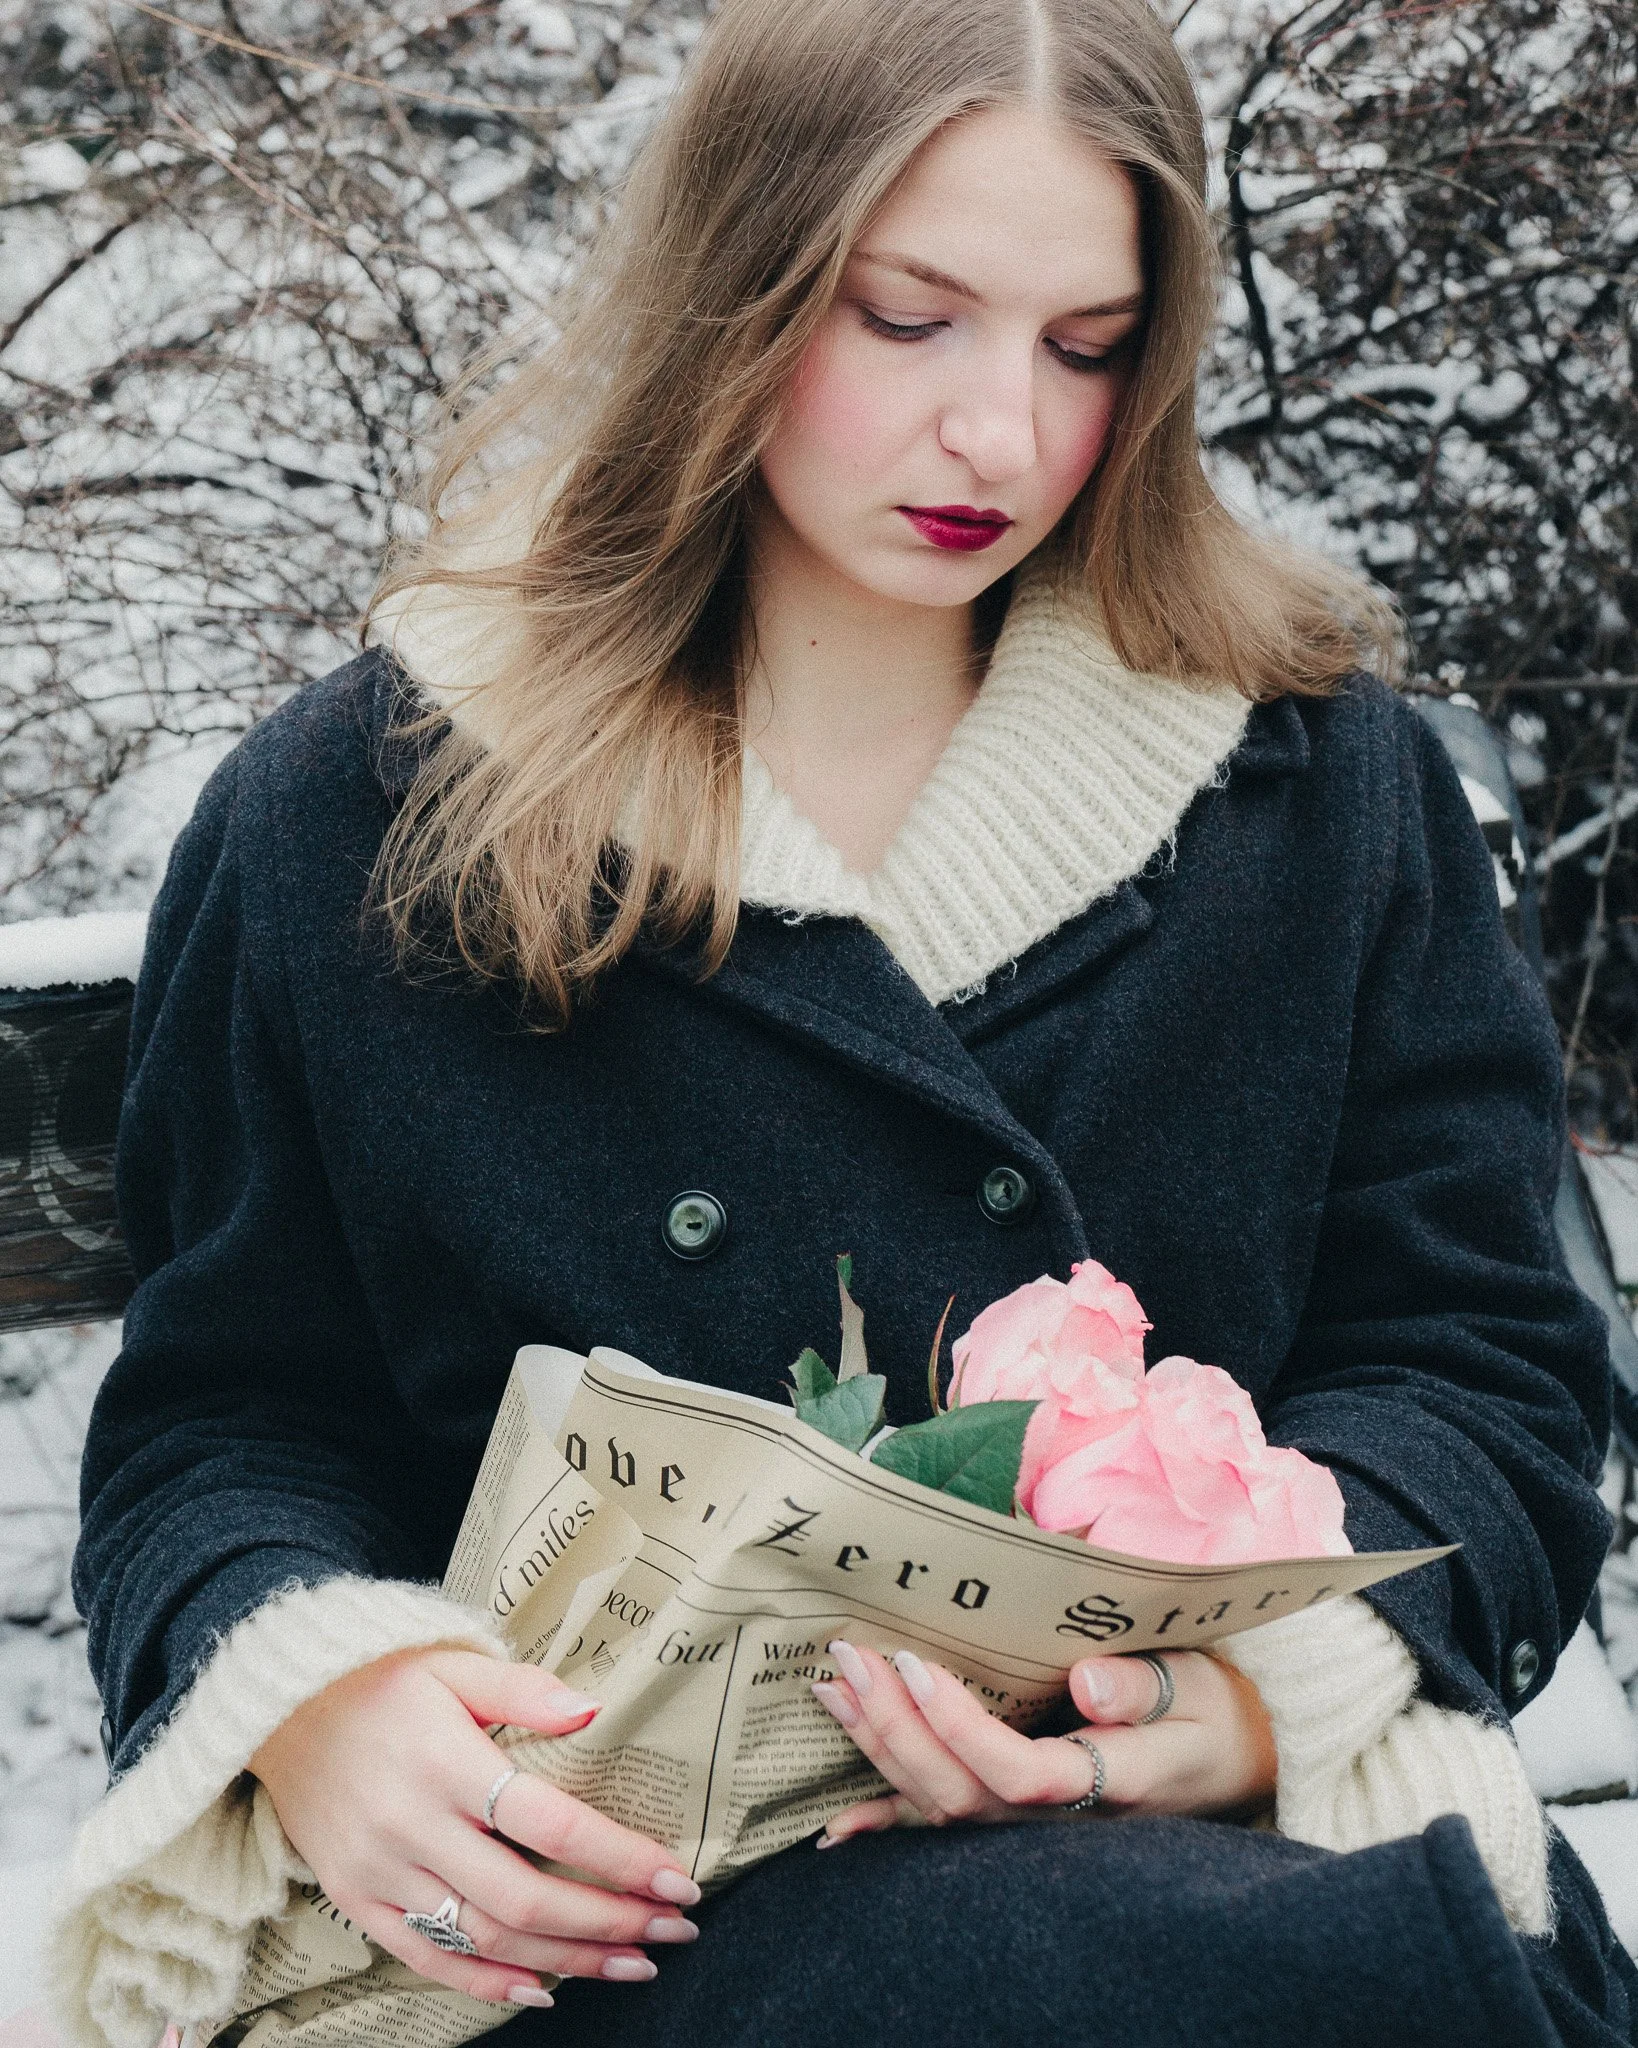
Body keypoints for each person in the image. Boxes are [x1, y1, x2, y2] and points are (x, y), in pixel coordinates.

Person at [42, 0, 1637, 2044]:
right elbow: (223, 1422)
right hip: (615, 1923)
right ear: (739, 285)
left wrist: (1234, 1706)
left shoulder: (1316, 792)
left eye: (1087, 346)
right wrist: (327, 1702)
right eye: (909, 318)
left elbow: (1479, 1366)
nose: (1005, 435)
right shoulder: (369, 811)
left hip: (1259, 1877)